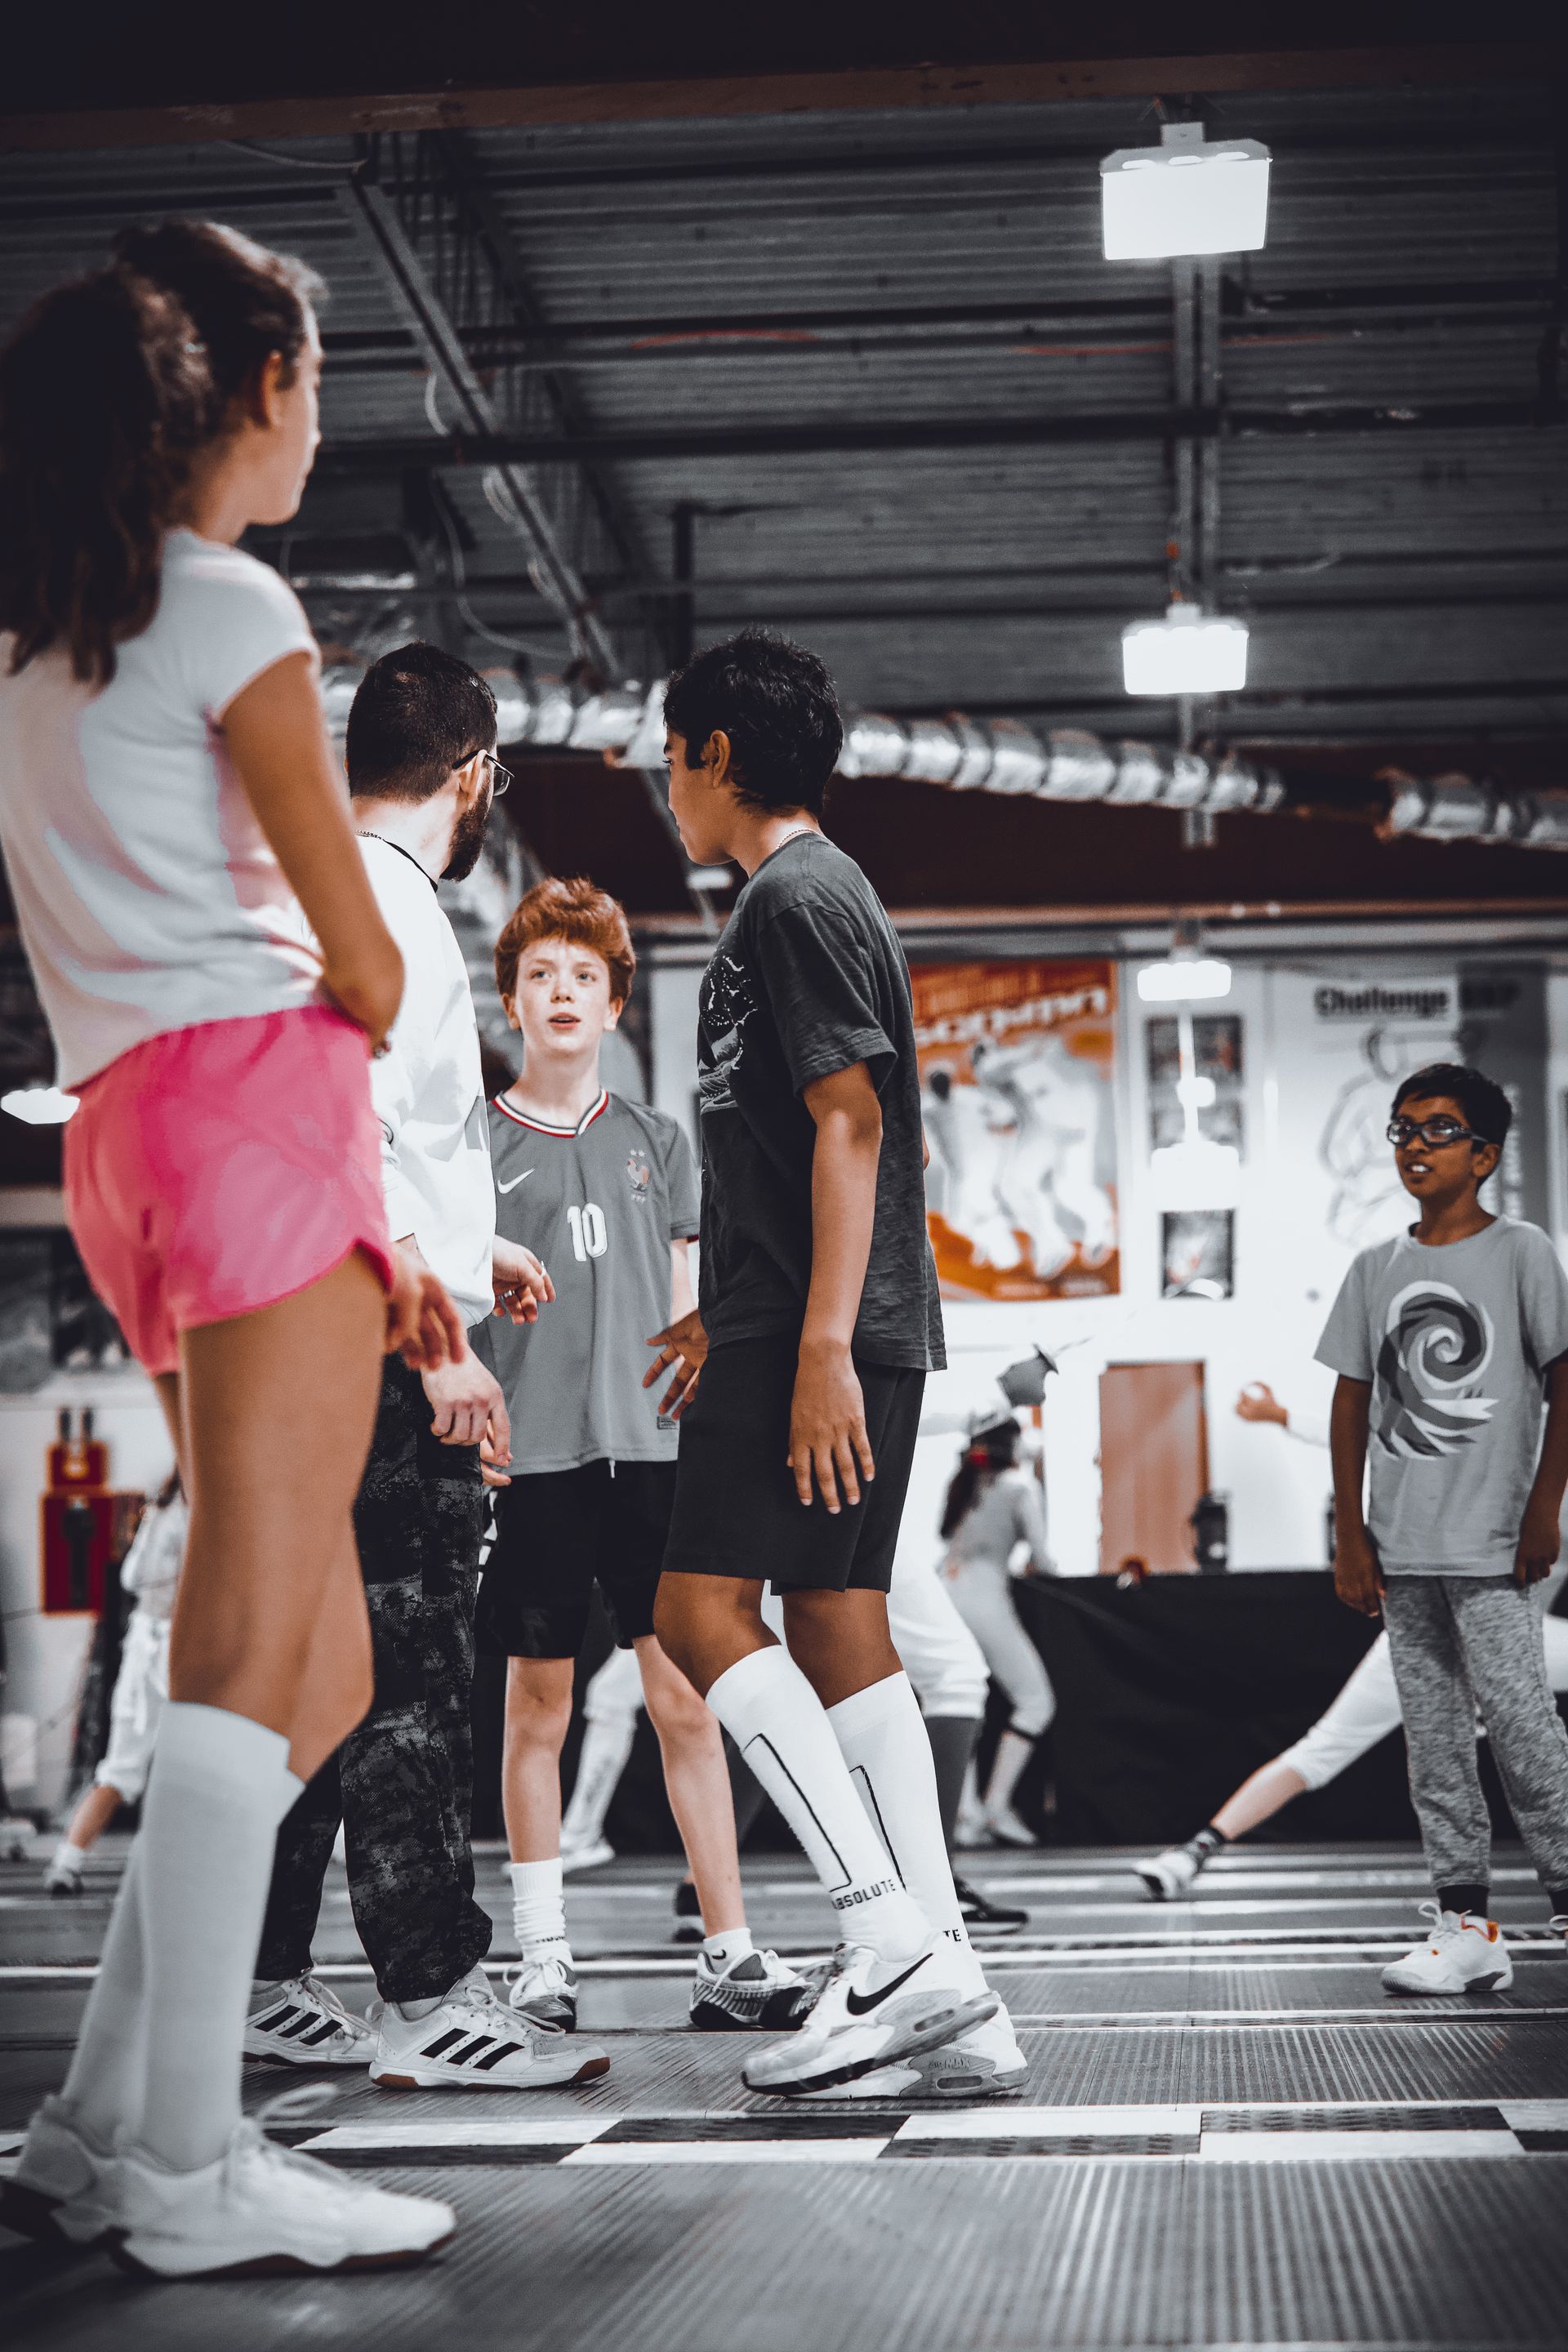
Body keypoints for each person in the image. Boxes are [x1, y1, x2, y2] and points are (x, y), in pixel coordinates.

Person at [0, 221, 465, 2277]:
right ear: (256, 390)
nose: (319, 422)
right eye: (317, 384)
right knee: (262, 1624)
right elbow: (362, 956)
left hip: (131, 1134)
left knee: (318, 1647)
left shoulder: (34, 645)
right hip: (259, 1103)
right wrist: (351, 1081)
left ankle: (106, 2123)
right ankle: (190, 2158)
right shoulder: (232, 603)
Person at [646, 629, 1022, 2100]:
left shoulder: (795, 898)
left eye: (670, 760)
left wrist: (810, 1344)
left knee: (695, 1609)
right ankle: (956, 1993)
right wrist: (731, 1304)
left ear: (716, 754)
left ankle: (886, 1942)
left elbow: (852, 1121)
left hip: (825, 1329)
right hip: (814, 1314)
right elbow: (793, 1150)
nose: (665, 789)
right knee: (835, 1616)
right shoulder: (810, 894)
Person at [243, 647, 604, 2092]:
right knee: (409, 1675)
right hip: (379, 1349)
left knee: (317, 1675)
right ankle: (434, 1997)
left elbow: (343, 1139)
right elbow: (353, 1130)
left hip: (305, 1328)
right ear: (477, 775)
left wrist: (469, 1250)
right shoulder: (392, 902)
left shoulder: (306, 885)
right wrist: (441, 1341)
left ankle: (263, 1974)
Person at [471, 876, 808, 2035]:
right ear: (513, 1000)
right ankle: (542, 1960)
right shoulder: (474, 1145)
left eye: (585, 976)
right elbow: (457, 1316)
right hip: (534, 1465)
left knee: (684, 1704)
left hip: (656, 1461)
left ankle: (729, 1954)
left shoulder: (659, 1140)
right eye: (541, 975)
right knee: (539, 1708)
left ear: (615, 1005)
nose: (563, 992)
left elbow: (685, 1302)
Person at [1320, 1062, 1568, 1993]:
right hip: (1403, 1546)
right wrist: (1353, 1532)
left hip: (1496, 1543)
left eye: (1439, 1129)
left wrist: (1543, 1506)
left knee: (1524, 1730)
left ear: (1485, 1155)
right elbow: (1351, 1402)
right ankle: (1467, 1929)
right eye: (1403, 1128)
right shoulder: (1375, 1267)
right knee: (1434, 1744)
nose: (1416, 1145)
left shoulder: (1522, 1252)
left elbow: (1564, 1379)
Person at [1139, 1381, 1568, 1899]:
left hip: (1518, 1636)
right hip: (1435, 1626)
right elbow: (1369, 1433)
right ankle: (1194, 1851)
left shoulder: (1537, 1446)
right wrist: (1281, 1416)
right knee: (1325, 1747)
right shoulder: (1485, 1423)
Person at [45, 1473, 186, 1898]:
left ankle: (67, 1862)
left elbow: (132, 1577)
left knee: (122, 1770)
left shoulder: (162, 1510)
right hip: (173, 1650)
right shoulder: (191, 1509)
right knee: (182, 1768)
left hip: (144, 1648)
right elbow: (137, 1577)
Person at [938, 1414, 1056, 1847]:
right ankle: (995, 1806)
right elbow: (1043, 1558)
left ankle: (964, 1814)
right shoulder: (1020, 1486)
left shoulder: (963, 1482)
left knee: (960, 1699)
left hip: (943, 1592)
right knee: (1036, 1702)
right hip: (984, 1597)